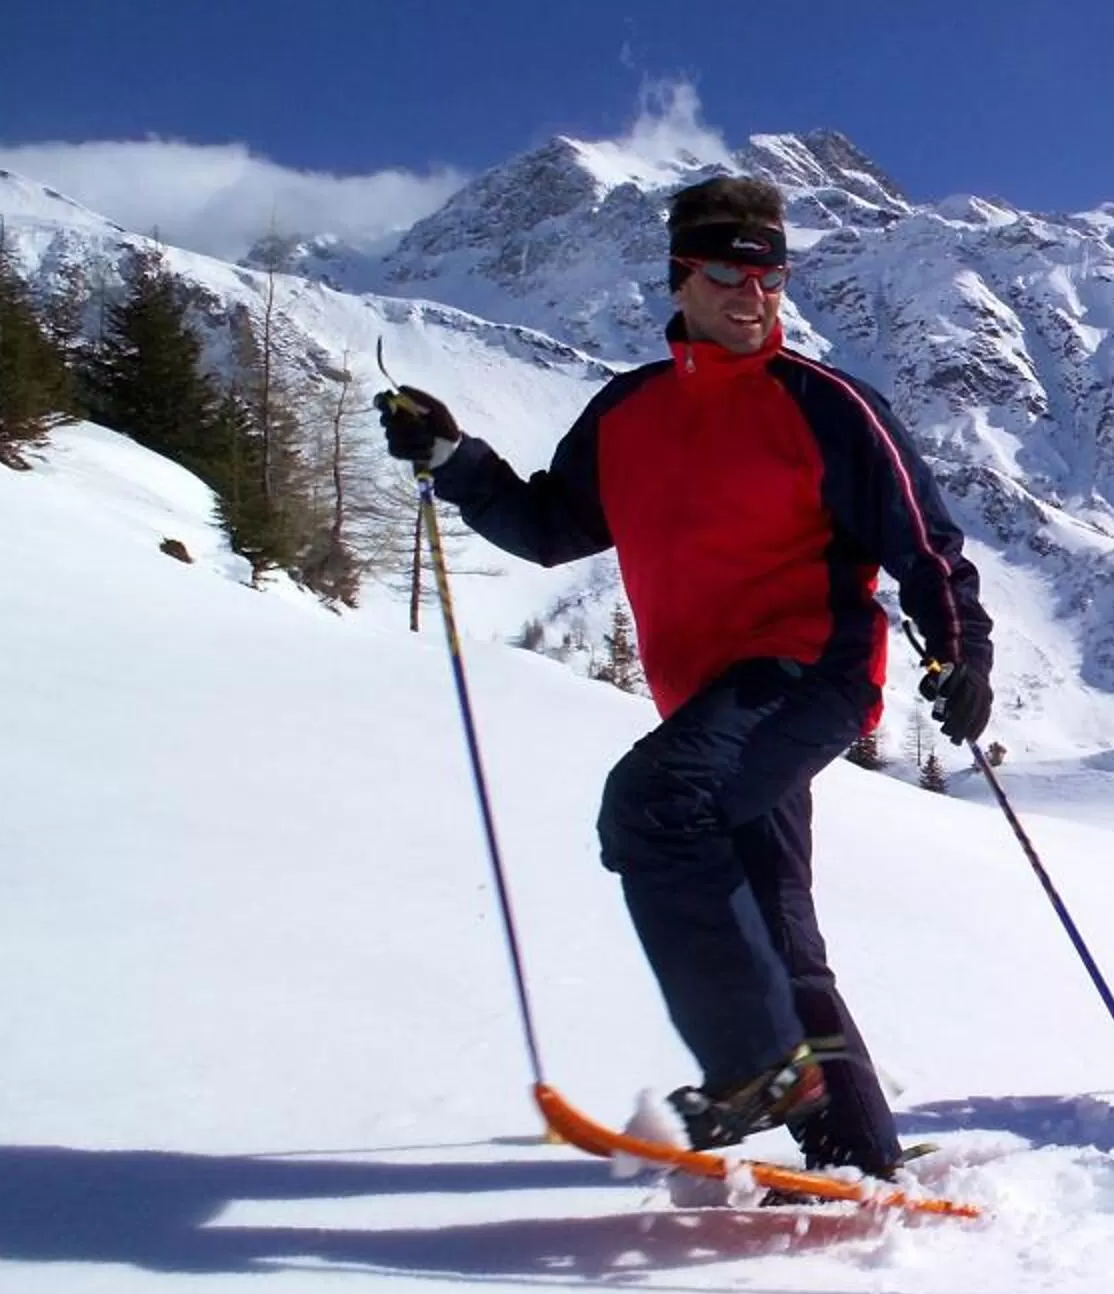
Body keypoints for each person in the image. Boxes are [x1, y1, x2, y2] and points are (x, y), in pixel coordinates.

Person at [375, 174, 992, 1180]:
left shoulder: (829, 407)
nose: (754, 293)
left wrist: (961, 654)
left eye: (771, 274)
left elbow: (924, 543)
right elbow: (550, 527)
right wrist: (453, 458)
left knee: (653, 803)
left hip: (808, 672)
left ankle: (756, 1068)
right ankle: (857, 1158)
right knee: (772, 925)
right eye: (729, 271)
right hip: (710, 701)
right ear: (680, 277)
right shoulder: (630, 412)